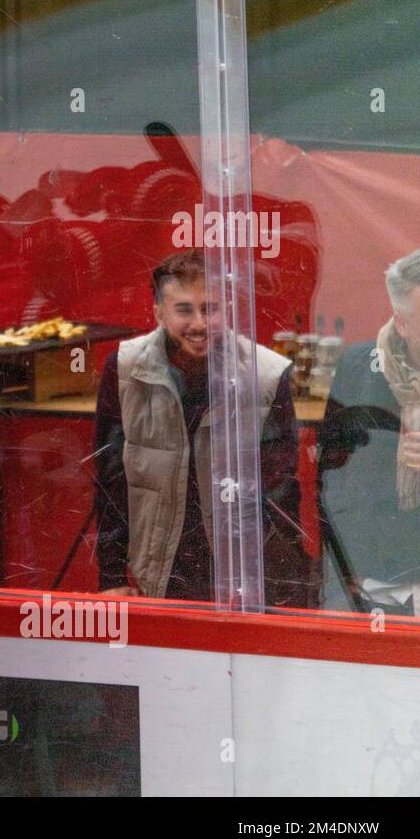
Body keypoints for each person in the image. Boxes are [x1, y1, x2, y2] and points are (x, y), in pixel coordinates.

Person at [93, 249, 308, 605]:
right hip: (160, 569)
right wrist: (111, 577)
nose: (198, 324)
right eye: (183, 310)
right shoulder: (124, 368)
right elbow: (110, 480)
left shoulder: (266, 374)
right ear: (158, 312)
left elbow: (281, 492)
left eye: (210, 308)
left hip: (244, 574)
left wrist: (283, 588)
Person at [317, 247, 420, 615]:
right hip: (371, 584)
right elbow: (328, 478)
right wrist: (339, 575)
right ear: (401, 322)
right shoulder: (352, 368)